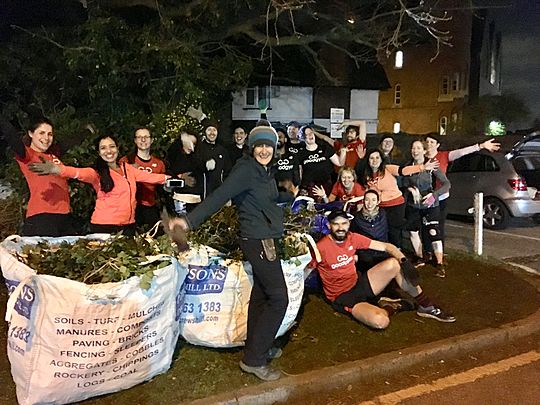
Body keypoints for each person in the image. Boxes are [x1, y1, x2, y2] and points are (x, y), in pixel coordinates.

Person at [167, 124, 296, 381]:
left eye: (267, 146)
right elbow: (219, 195)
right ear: (252, 147)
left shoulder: (264, 171)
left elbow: (265, 199)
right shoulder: (246, 170)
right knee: (279, 298)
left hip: (266, 237)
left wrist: (286, 196)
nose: (263, 150)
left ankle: (257, 345)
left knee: (262, 295)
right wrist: (189, 222)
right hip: (258, 240)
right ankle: (254, 360)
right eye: (258, 145)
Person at [310, 209, 455, 330]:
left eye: (344, 223)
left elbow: (386, 246)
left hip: (359, 284)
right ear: (329, 226)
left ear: (349, 224)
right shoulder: (321, 247)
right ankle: (395, 306)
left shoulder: (352, 238)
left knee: (393, 263)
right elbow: (305, 271)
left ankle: (426, 306)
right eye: (336, 224)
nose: (341, 228)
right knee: (381, 321)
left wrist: (404, 261)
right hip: (343, 297)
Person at [29, 134, 171, 235]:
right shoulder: (96, 172)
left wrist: (174, 179)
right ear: (98, 152)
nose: (108, 151)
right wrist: (57, 169)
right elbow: (78, 173)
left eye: (111, 146)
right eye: (103, 148)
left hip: (128, 226)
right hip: (104, 227)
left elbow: (152, 177)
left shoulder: (128, 169)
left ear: (117, 148)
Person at [422, 134, 501, 257]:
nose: (429, 144)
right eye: (427, 141)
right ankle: (426, 251)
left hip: (440, 196)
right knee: (424, 224)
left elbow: (462, 152)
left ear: (437, 145)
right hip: (424, 197)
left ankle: (439, 254)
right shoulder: (420, 157)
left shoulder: (444, 156)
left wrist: (480, 146)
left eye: (432, 142)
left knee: (438, 225)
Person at [1, 117, 76, 236]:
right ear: (31, 133)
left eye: (50, 134)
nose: (46, 138)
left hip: (64, 216)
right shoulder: (28, 155)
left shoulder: (53, 156)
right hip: (42, 217)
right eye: (41, 133)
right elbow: (12, 136)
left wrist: (88, 130)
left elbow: (69, 142)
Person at [358, 149, 438, 248]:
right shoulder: (367, 175)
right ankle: (389, 251)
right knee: (384, 229)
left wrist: (422, 167)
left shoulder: (387, 168)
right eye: (372, 158)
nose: (374, 160)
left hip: (395, 204)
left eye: (377, 157)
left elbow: (403, 171)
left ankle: (399, 252)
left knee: (394, 229)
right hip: (380, 206)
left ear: (381, 160)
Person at [403, 140, 451, 277]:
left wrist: (434, 195)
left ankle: (440, 264)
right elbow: (405, 182)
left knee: (433, 232)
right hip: (414, 205)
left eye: (418, 148)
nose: (415, 150)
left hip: (430, 205)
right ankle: (420, 257)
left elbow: (447, 184)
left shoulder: (432, 165)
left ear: (424, 151)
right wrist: (411, 189)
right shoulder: (408, 166)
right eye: (413, 148)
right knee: (413, 232)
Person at [119, 128, 166, 229]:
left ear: (152, 140)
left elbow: (162, 188)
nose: (143, 140)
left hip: (150, 207)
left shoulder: (159, 164)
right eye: (140, 137)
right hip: (130, 208)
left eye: (146, 137)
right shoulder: (126, 161)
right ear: (135, 141)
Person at [297, 126, 343, 200]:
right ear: (303, 137)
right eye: (307, 134)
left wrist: (343, 153)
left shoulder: (324, 148)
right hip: (309, 186)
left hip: (326, 184)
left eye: (311, 133)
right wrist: (300, 187)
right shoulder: (301, 153)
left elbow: (339, 163)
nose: (310, 135)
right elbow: (300, 172)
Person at [350, 189, 391, 270]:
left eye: (373, 200)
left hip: (382, 250)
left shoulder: (384, 214)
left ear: (378, 202)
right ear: (363, 201)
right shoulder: (356, 218)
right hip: (366, 253)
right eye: (367, 200)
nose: (370, 203)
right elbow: (353, 236)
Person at [166, 131, 202, 213]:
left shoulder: (198, 160)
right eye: (189, 142)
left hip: (196, 201)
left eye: (194, 143)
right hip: (179, 201)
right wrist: (182, 181)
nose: (191, 146)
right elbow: (167, 183)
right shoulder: (173, 159)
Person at [196, 119, 232, 198]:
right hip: (202, 196)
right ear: (204, 132)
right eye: (209, 130)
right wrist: (204, 165)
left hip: (219, 195)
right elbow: (194, 168)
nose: (212, 133)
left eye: (214, 130)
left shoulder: (222, 150)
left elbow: (228, 172)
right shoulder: (199, 149)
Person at [274, 126, 301, 193]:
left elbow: (296, 174)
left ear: (285, 139)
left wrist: (296, 188)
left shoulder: (293, 156)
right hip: (274, 192)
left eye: (280, 137)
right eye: (275, 138)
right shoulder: (269, 157)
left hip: (290, 193)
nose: (277, 140)